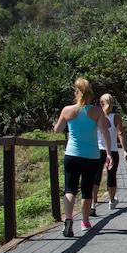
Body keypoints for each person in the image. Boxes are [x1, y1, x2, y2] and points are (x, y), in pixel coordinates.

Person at [53, 78, 113, 236]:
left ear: (76, 92)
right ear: (90, 94)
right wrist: (108, 153)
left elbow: (57, 130)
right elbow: (105, 130)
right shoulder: (96, 111)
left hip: (72, 154)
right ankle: (85, 222)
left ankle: (68, 219)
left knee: (70, 189)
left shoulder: (67, 110)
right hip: (91, 156)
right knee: (86, 190)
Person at [91, 93, 127, 215]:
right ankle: (111, 201)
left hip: (97, 150)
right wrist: (125, 150)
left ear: (101, 103)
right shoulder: (116, 117)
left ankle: (93, 204)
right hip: (112, 150)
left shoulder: (96, 115)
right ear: (112, 103)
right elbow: (121, 134)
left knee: (96, 176)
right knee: (111, 175)